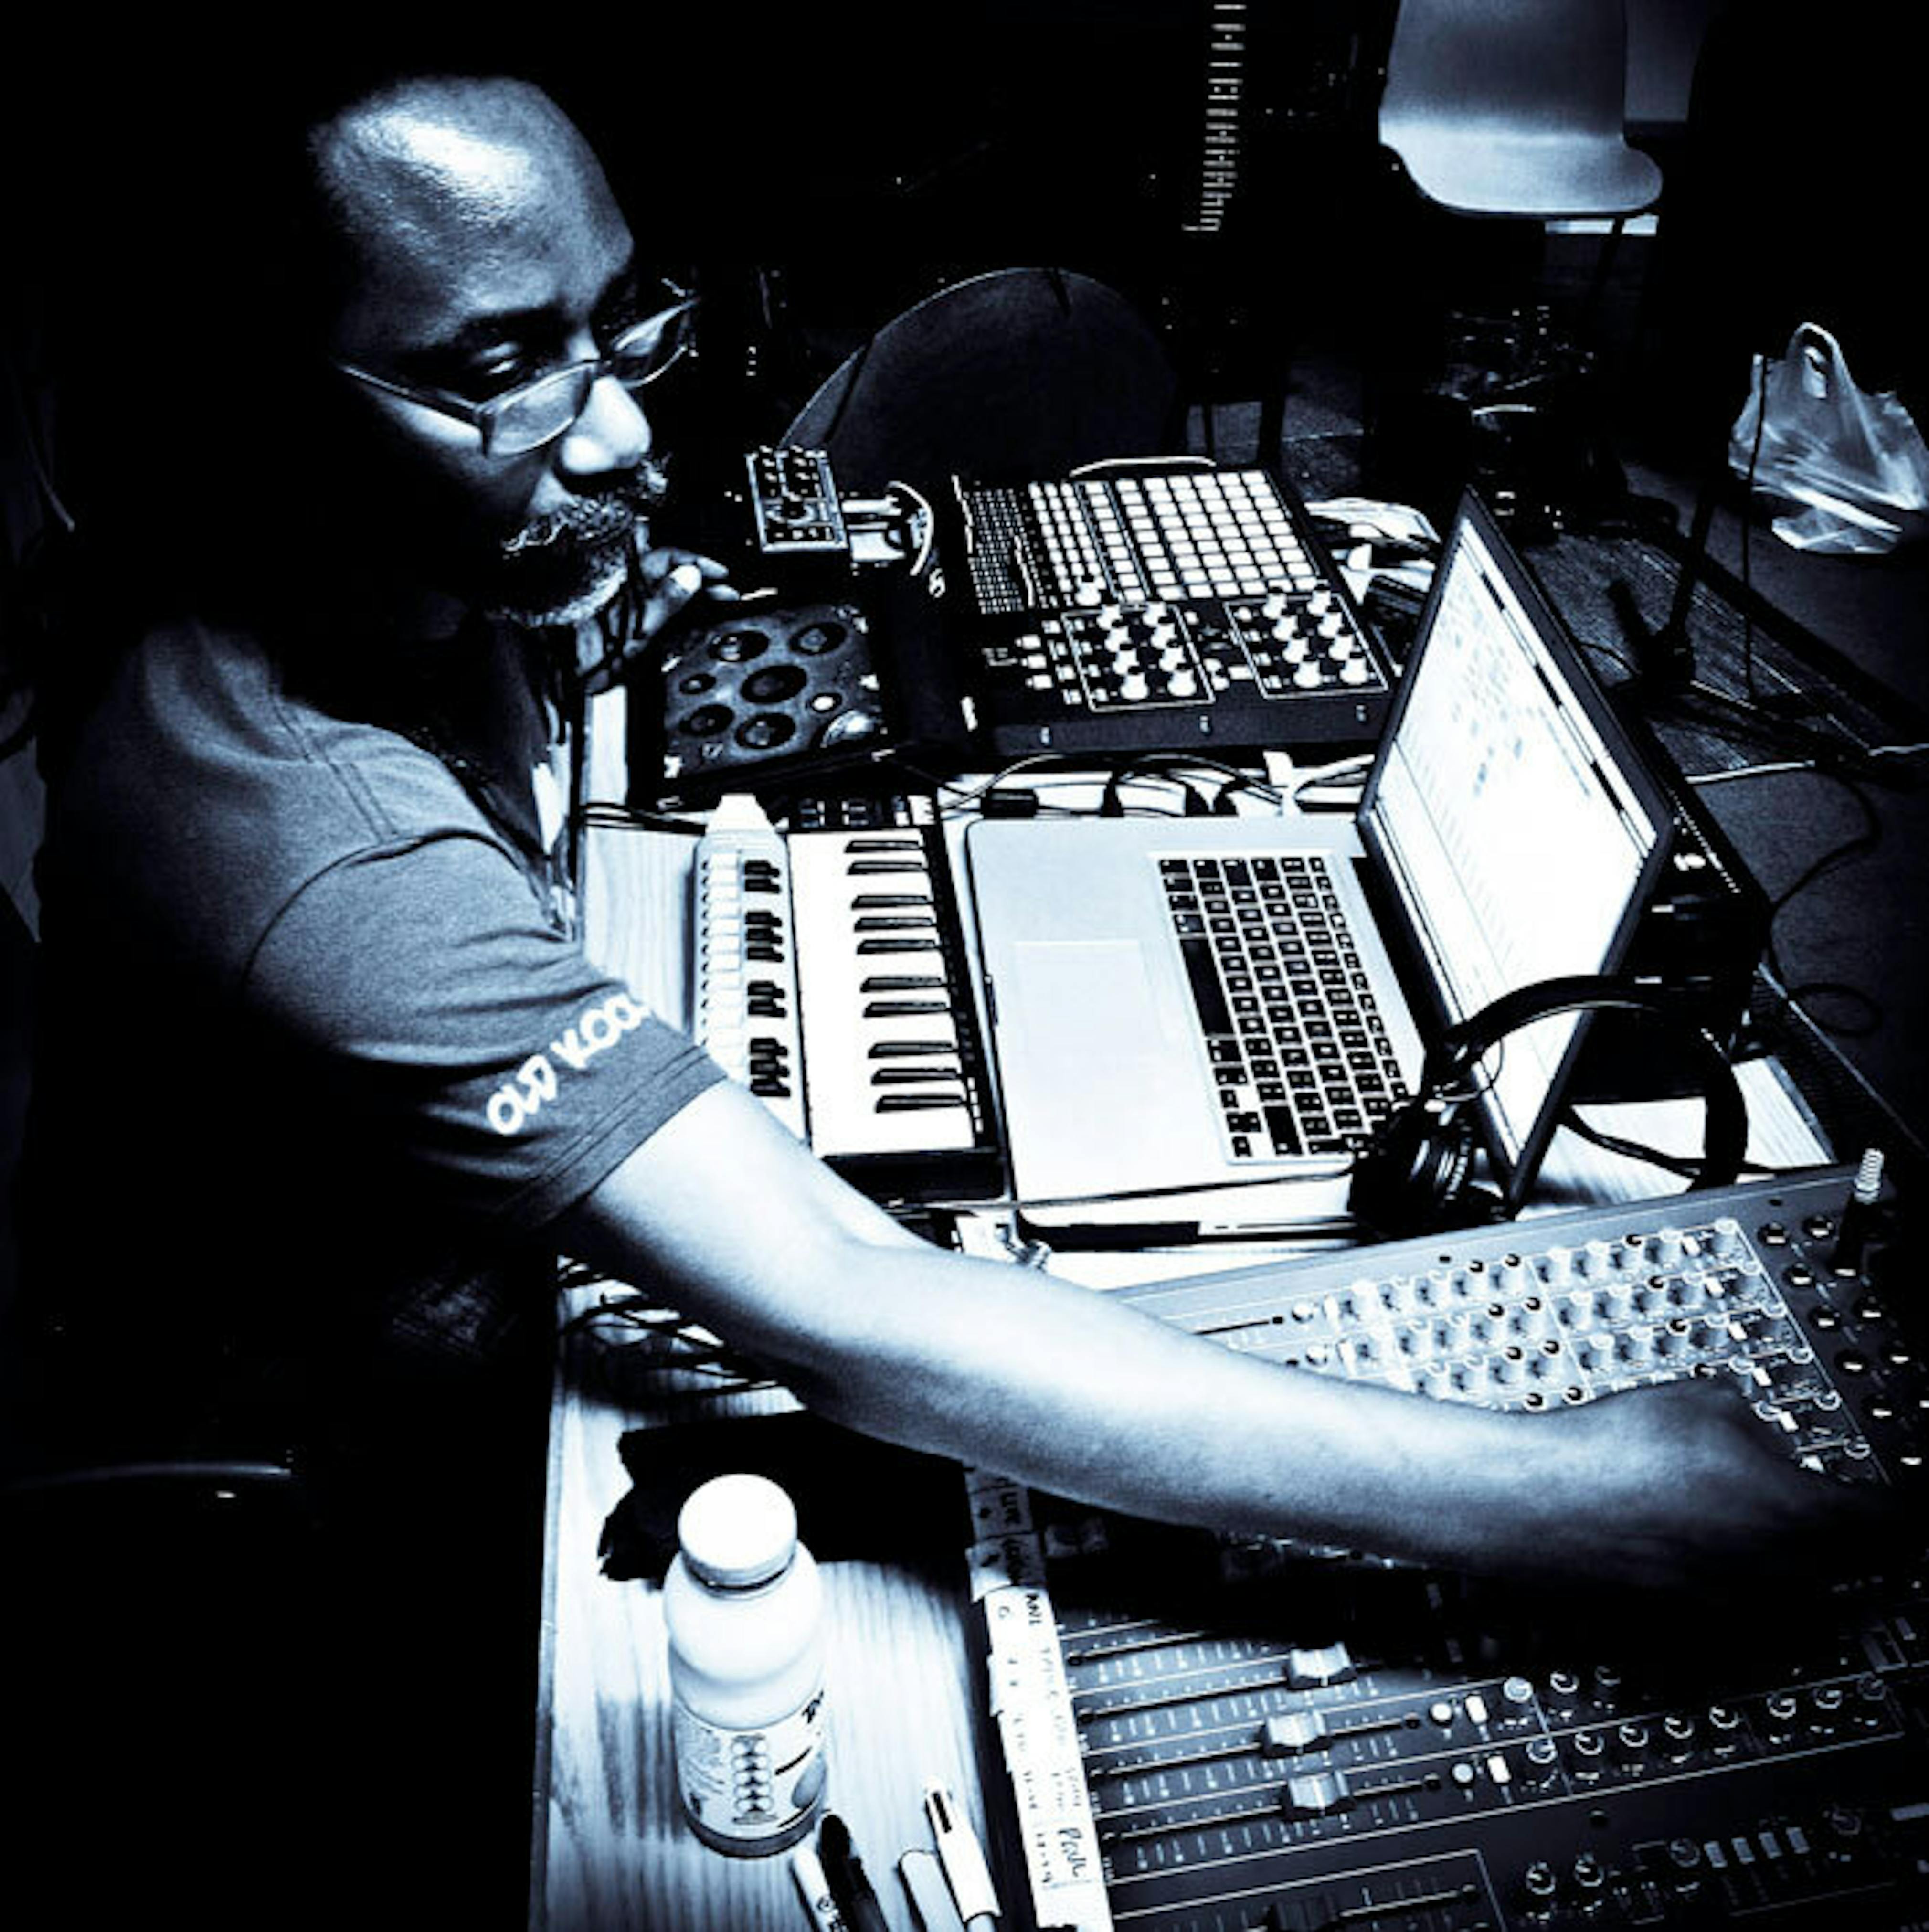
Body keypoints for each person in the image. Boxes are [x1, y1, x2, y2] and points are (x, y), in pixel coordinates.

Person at [6, 56, 1896, 1930]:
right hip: (391, 1478)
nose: (611, 436)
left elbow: (624, 579)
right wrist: (1576, 1490)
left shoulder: (406, 572)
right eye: (500, 369)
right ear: (252, 398)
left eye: (616, 328)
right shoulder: (307, 838)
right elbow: (855, 1307)